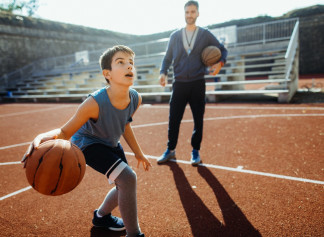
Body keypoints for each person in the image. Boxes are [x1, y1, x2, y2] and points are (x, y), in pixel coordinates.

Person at [21, 45, 151, 237]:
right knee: (128, 178)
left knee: (123, 185)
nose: (129, 66)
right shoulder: (94, 103)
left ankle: (101, 216)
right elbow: (65, 131)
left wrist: (139, 153)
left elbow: (125, 125)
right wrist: (40, 138)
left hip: (111, 143)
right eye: (121, 62)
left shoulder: (135, 98)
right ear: (107, 73)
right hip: (88, 144)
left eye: (131, 62)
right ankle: (135, 234)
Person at [157, 1, 228, 165]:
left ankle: (195, 151)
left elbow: (222, 50)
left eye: (193, 12)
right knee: (174, 119)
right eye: (187, 12)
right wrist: (163, 73)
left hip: (197, 82)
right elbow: (167, 58)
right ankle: (170, 150)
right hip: (179, 83)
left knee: (198, 119)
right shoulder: (175, 36)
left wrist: (220, 63)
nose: (190, 15)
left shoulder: (205, 34)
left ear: (198, 14)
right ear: (184, 14)